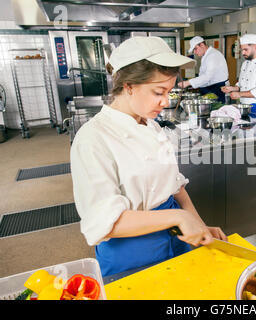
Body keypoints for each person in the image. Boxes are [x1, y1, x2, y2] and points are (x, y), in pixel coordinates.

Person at [70, 36, 227, 277]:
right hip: (131, 253)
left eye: (169, 91)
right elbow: (106, 223)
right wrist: (178, 216)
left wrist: (199, 225)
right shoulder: (93, 138)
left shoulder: (151, 125)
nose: (165, 102)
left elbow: (176, 187)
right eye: (158, 92)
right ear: (129, 86)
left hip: (176, 239)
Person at [221, 34, 256, 116]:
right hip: (244, 106)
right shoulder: (245, 63)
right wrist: (232, 88)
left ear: (255, 47)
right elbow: (241, 85)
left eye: (246, 50)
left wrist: (239, 94)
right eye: (242, 50)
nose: (243, 53)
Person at [177, 36, 228, 103]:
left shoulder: (213, 55)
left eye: (195, 49)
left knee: (216, 110)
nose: (195, 52)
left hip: (216, 89)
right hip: (209, 88)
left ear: (202, 45)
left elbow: (207, 77)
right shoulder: (206, 55)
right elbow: (203, 76)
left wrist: (188, 83)